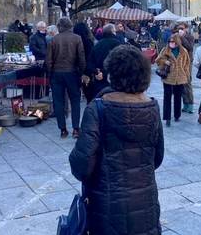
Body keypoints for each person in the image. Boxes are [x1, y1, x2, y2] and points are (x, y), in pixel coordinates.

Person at [69, 45, 164, 235]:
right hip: (145, 203)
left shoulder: (98, 109)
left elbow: (81, 165)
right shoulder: (152, 108)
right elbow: (157, 158)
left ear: (113, 74)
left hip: (106, 205)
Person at [46, 17, 86, 139]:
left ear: (59, 26)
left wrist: (50, 74)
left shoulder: (53, 40)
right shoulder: (77, 38)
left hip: (57, 74)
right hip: (72, 73)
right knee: (75, 101)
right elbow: (81, 58)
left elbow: (48, 60)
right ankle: (75, 129)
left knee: (58, 102)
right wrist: (81, 72)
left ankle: (63, 129)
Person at [156, 34, 190, 127]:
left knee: (178, 97)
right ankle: (167, 117)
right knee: (167, 97)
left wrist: (186, 75)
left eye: (173, 41)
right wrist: (164, 61)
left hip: (180, 77)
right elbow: (158, 60)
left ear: (177, 42)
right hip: (168, 77)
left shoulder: (183, 51)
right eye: (170, 41)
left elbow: (187, 64)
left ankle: (177, 115)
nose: (171, 43)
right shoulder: (165, 50)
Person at [85, 24, 123, 102]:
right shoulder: (118, 44)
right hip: (114, 80)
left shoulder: (97, 45)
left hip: (99, 80)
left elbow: (90, 63)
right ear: (113, 32)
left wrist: (96, 72)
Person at [177, 23, 195, 113]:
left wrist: (182, 37)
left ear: (186, 29)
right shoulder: (177, 37)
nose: (180, 30)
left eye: (182, 28)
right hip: (179, 62)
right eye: (179, 28)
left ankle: (191, 104)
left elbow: (190, 47)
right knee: (181, 83)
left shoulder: (190, 37)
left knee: (187, 82)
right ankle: (185, 104)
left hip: (188, 62)